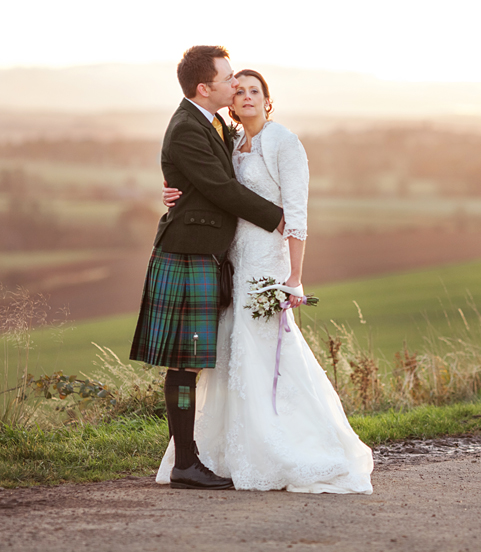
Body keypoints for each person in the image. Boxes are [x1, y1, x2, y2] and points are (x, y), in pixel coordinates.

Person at [156, 69, 374, 494]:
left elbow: (296, 212)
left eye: (255, 90)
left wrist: (294, 276)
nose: (246, 96)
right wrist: (171, 189)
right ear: (228, 101)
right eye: (238, 90)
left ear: (268, 99)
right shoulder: (229, 140)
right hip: (232, 261)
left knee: (266, 352)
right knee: (232, 355)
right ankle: (231, 452)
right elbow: (211, 183)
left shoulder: (283, 142)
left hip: (266, 264)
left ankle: (282, 445)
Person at [130, 46, 285, 491]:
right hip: (186, 254)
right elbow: (220, 188)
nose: (235, 84)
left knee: (192, 360)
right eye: (228, 78)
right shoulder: (186, 128)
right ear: (205, 87)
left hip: (205, 253)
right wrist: (279, 217)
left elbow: (206, 180)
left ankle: (190, 458)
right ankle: (185, 462)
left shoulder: (213, 121)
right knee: (183, 364)